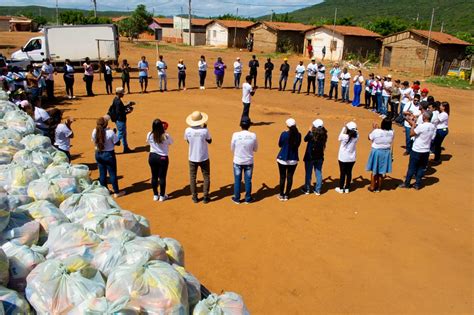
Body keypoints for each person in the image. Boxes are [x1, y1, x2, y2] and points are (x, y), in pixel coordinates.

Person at [399, 111, 436, 190]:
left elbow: (411, 134)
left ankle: (407, 183)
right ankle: (417, 184)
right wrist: (412, 123)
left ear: (425, 117)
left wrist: (412, 126)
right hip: (426, 151)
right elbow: (432, 138)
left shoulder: (422, 126)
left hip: (417, 150)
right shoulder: (433, 127)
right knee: (421, 168)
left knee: (411, 167)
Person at [92, 116, 125, 198]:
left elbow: (95, 140)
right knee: (112, 173)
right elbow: (117, 143)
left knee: (102, 173)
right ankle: (116, 192)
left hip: (98, 154)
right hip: (109, 155)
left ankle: (104, 191)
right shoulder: (110, 132)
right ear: (106, 124)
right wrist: (114, 132)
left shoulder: (94, 131)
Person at [184, 111, 212, 204]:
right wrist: (205, 129)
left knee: (192, 177)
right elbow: (210, 140)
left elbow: (188, 141)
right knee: (206, 176)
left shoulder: (187, 130)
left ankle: (195, 197)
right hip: (204, 157)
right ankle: (205, 197)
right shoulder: (205, 130)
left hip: (192, 157)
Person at [231, 117, 258, 204]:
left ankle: (237, 198)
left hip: (237, 161)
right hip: (249, 162)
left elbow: (232, 148)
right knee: (248, 180)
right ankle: (248, 198)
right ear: (249, 125)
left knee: (237, 180)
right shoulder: (253, 135)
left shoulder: (235, 135)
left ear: (240, 125)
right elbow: (255, 149)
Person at [147, 119, 173, 201]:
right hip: (162, 158)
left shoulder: (149, 134)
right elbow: (171, 142)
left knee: (154, 176)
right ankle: (162, 196)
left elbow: (148, 142)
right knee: (162, 177)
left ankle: (155, 195)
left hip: (152, 157)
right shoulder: (166, 135)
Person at [366, 118, 394, 192]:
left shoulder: (376, 131)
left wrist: (374, 129)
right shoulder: (392, 132)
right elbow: (385, 133)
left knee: (374, 171)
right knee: (381, 172)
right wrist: (377, 129)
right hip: (386, 153)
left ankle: (372, 187)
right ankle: (378, 188)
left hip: (377, 152)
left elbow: (369, 137)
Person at [276, 118, 301, 201]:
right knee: (290, 177)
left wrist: (285, 133)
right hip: (293, 159)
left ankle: (281, 194)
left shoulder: (284, 134)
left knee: (282, 177)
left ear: (287, 126)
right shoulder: (299, 135)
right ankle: (287, 195)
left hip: (283, 159)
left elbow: (280, 144)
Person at [302, 119, 327, 195]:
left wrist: (309, 131)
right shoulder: (324, 134)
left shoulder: (311, 134)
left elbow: (305, 139)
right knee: (318, 173)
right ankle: (318, 190)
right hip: (319, 157)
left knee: (308, 173)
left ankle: (307, 189)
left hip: (310, 157)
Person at [109, 87, 134, 153]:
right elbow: (119, 112)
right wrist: (128, 111)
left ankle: (126, 148)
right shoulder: (118, 102)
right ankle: (109, 146)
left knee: (124, 134)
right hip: (120, 120)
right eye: (122, 93)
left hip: (120, 120)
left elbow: (121, 109)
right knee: (120, 134)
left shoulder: (116, 99)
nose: (123, 94)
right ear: (119, 93)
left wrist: (128, 105)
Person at [336, 121, 359, 194]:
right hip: (352, 158)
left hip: (343, 158)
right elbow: (356, 131)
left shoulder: (344, 136)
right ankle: (347, 188)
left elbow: (339, 138)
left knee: (342, 173)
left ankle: (341, 188)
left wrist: (344, 128)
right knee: (349, 172)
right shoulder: (357, 136)